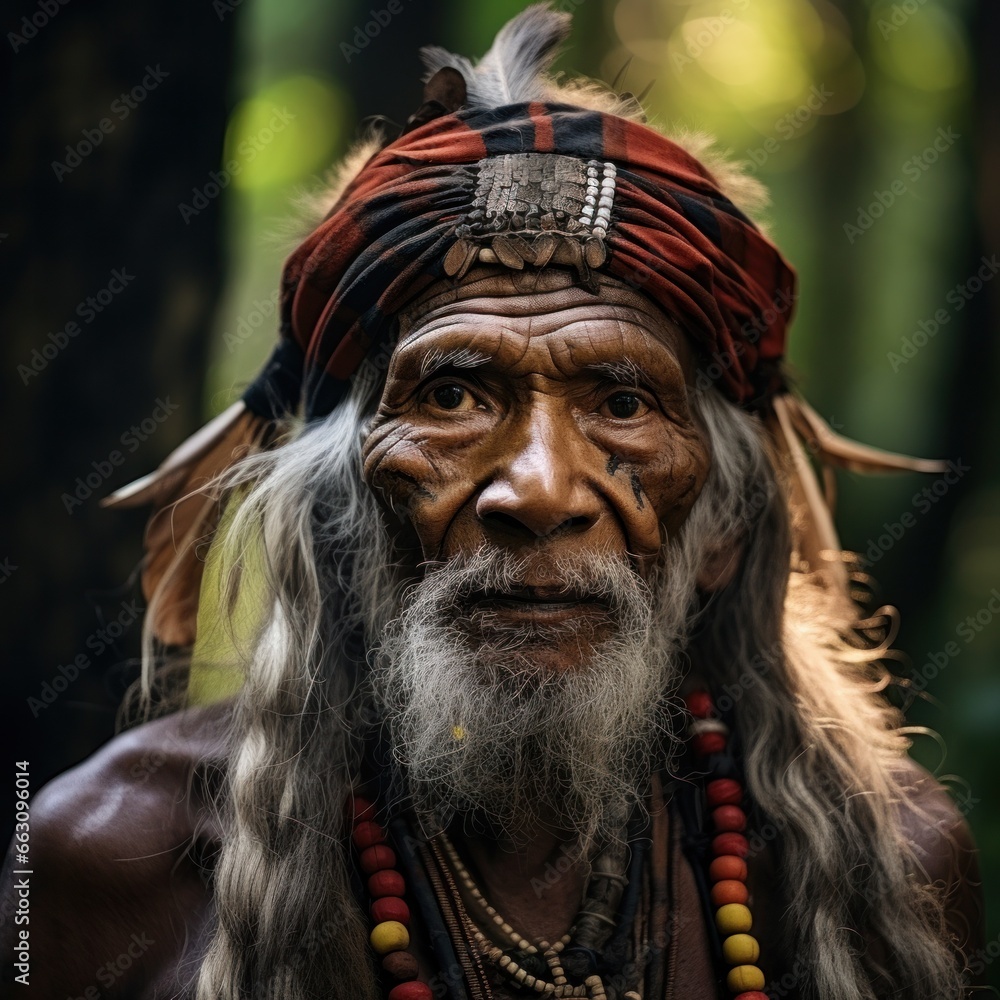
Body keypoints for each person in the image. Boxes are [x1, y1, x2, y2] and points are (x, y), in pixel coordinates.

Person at [1, 5, 983, 998]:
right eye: (454, 394)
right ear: (339, 505)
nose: (538, 491)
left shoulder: (889, 867)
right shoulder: (100, 858)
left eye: (624, 400)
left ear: (724, 524)